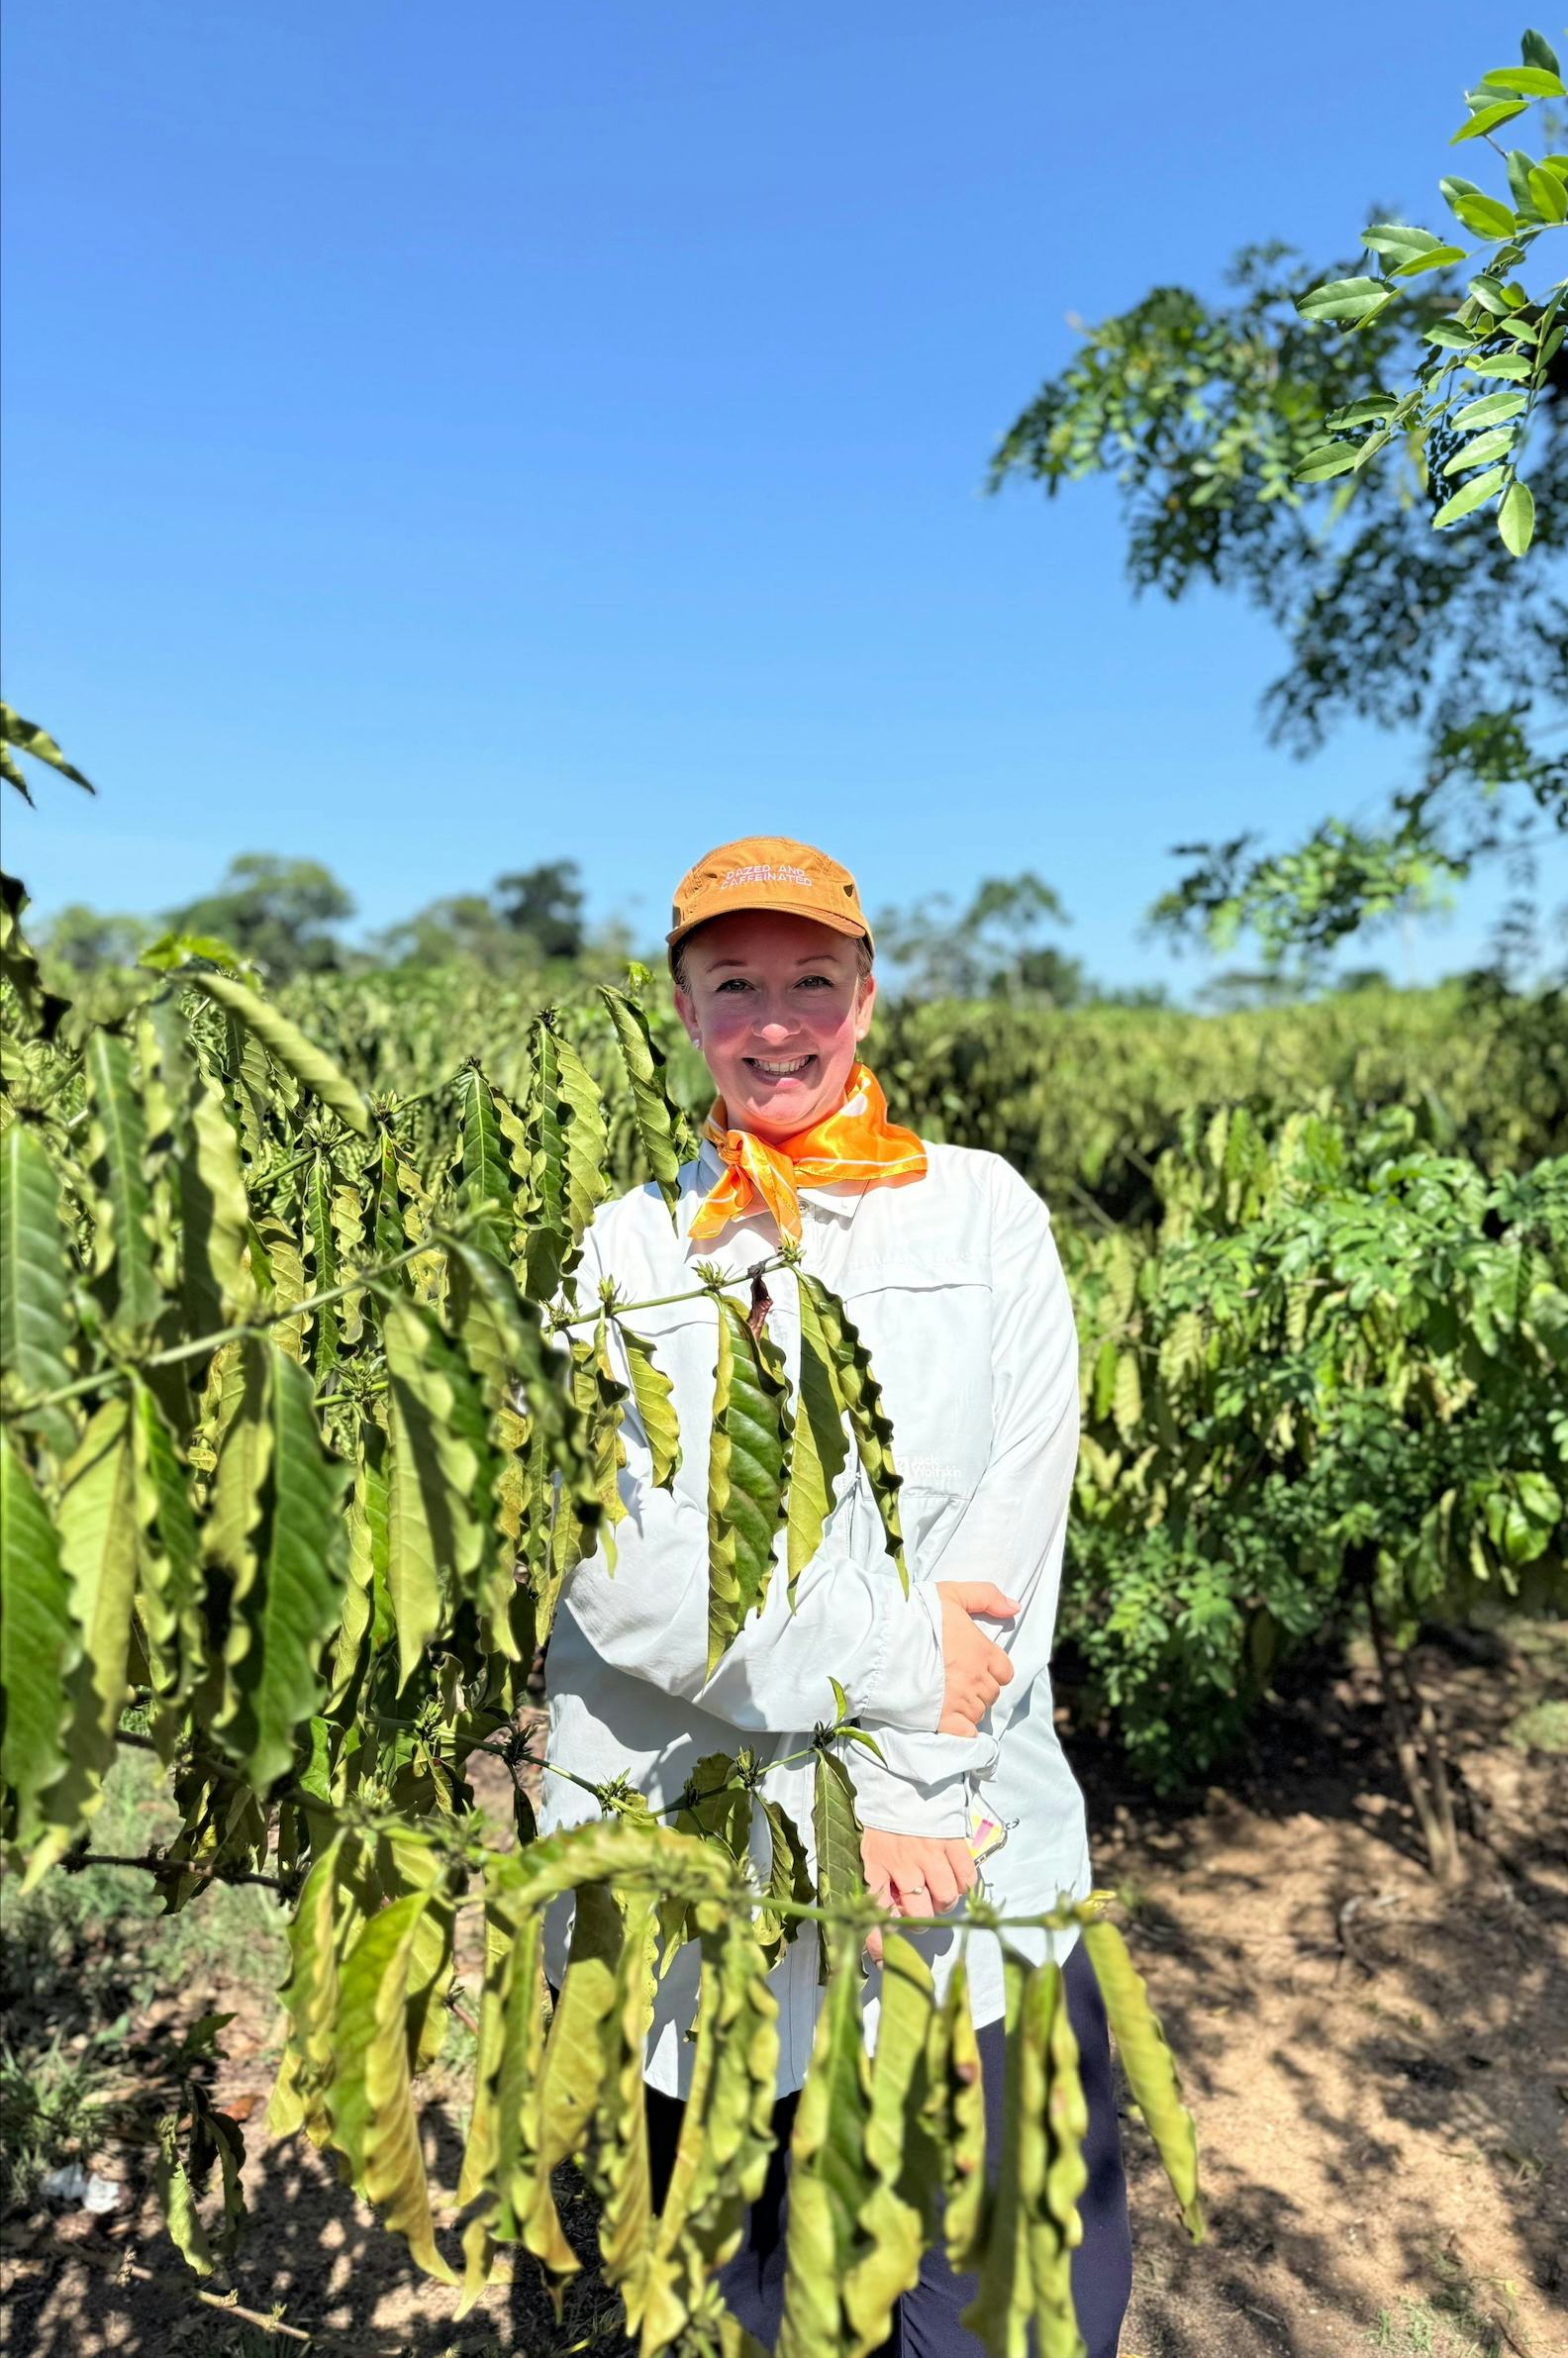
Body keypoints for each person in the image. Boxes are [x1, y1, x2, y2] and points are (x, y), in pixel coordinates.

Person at [537, 835, 1131, 2355]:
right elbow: (631, 1574)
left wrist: (919, 1788)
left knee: (1006, 2297)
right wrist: (888, 1675)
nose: (777, 1021)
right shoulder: (624, 1247)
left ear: (868, 996)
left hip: (960, 1854)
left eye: (812, 980)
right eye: (735, 984)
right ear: (682, 1008)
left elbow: (1017, 1519)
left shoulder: (985, 1214)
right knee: (750, 2298)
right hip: (707, 1869)